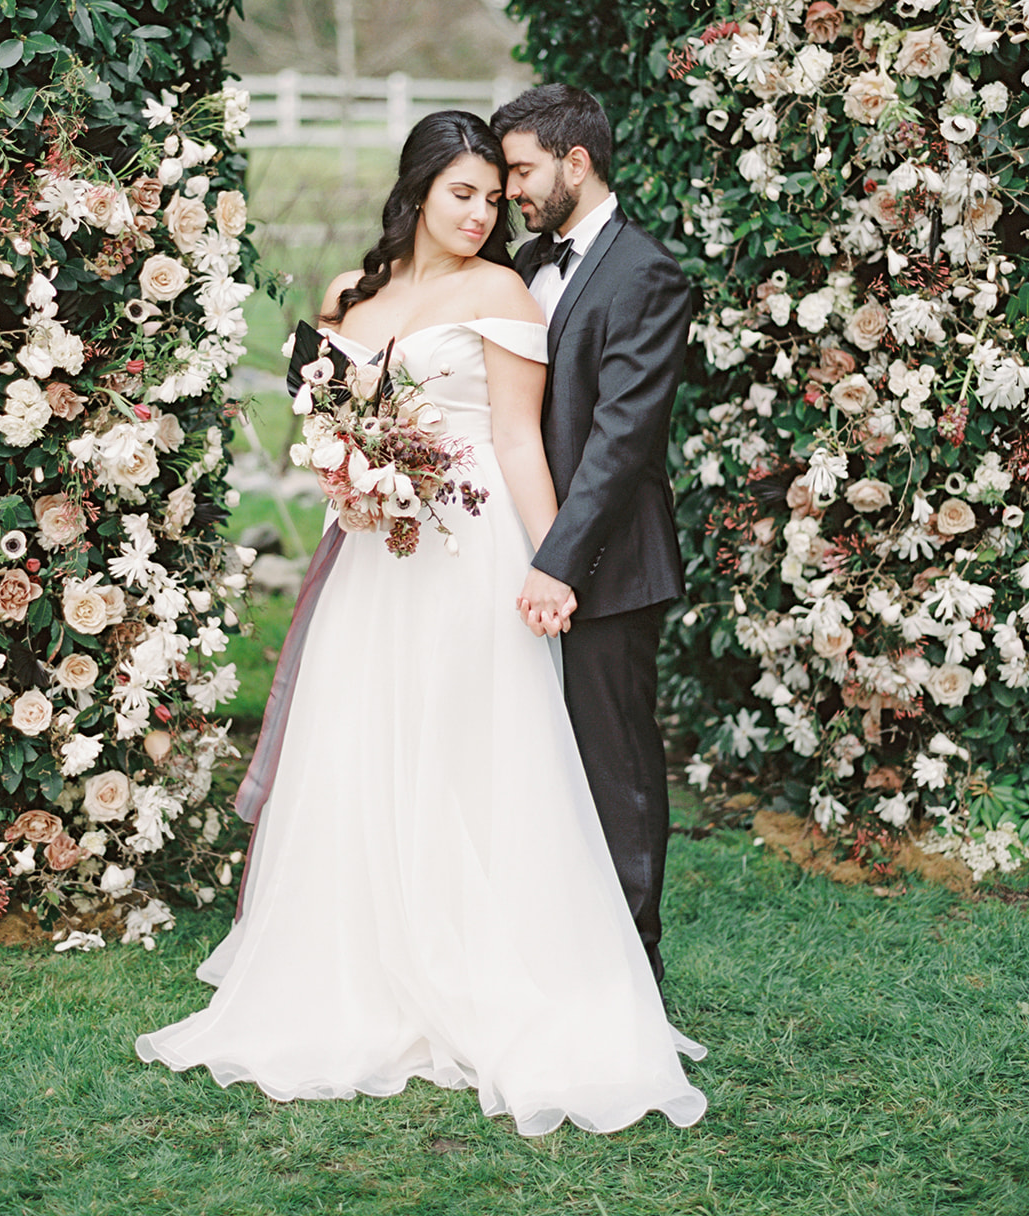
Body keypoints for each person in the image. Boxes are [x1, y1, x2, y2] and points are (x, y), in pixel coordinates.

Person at [136, 110, 705, 1136]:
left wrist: (549, 568)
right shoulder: (345, 297)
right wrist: (348, 483)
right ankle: (360, 961)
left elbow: (524, 445)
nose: (485, 214)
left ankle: (495, 955)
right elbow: (321, 427)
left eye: (496, 195)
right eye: (465, 193)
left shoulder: (501, 290)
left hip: (474, 543)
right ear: (417, 191)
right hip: (375, 553)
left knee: (472, 745)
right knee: (361, 740)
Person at [493, 83, 692, 989]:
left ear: (577, 162)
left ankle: (631, 975)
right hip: (521, 552)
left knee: (616, 767)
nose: (511, 191)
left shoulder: (645, 272)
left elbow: (620, 444)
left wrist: (555, 563)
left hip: (606, 565)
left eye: (523, 170)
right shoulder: (527, 261)